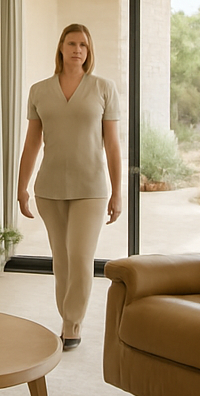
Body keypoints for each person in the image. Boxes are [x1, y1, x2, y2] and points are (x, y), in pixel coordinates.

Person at [17, 23, 123, 350]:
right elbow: (32, 144)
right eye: (72, 43)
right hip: (49, 188)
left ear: (89, 53)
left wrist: (118, 192)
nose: (78, 49)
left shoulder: (104, 89)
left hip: (91, 188)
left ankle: (72, 324)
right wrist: (22, 188)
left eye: (84, 45)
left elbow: (113, 145)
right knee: (60, 260)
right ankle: (66, 318)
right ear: (61, 48)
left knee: (79, 257)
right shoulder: (39, 91)